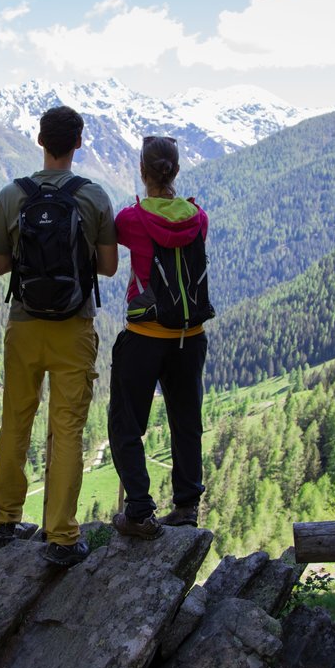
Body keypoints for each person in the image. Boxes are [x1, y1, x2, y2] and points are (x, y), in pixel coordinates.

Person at [0, 105, 117, 566]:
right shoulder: (95, 196)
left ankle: (4, 518)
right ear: (78, 143)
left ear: (39, 141)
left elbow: (0, 265)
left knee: (15, 421)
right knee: (66, 431)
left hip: (24, 325)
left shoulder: (10, 195)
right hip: (74, 328)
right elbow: (108, 266)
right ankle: (61, 535)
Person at [108, 136, 210, 539]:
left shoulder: (132, 219)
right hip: (191, 334)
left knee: (126, 422)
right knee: (186, 420)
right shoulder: (197, 217)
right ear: (177, 171)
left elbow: (110, 238)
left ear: (142, 171)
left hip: (145, 334)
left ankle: (138, 510)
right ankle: (185, 507)